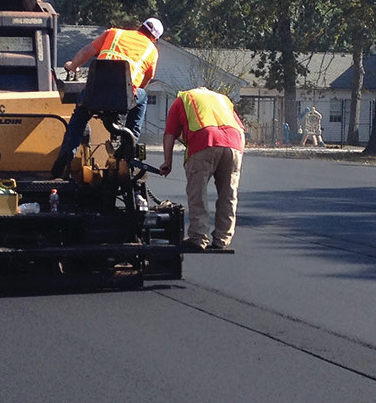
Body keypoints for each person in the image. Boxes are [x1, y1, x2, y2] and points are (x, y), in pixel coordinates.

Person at [51, 18, 163, 177]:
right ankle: (128, 144)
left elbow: (85, 52)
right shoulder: (152, 50)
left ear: (140, 27)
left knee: (80, 115)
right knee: (143, 97)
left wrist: (72, 66)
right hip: (123, 97)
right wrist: (135, 91)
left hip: (95, 92)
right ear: (155, 38)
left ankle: (68, 151)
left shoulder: (113, 33)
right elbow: (147, 78)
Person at [159, 87, 245, 251]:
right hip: (235, 143)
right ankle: (222, 239)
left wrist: (167, 162)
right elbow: (239, 127)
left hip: (204, 140)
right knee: (229, 193)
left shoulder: (183, 99)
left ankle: (199, 238)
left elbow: (169, 133)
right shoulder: (223, 99)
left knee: (197, 192)